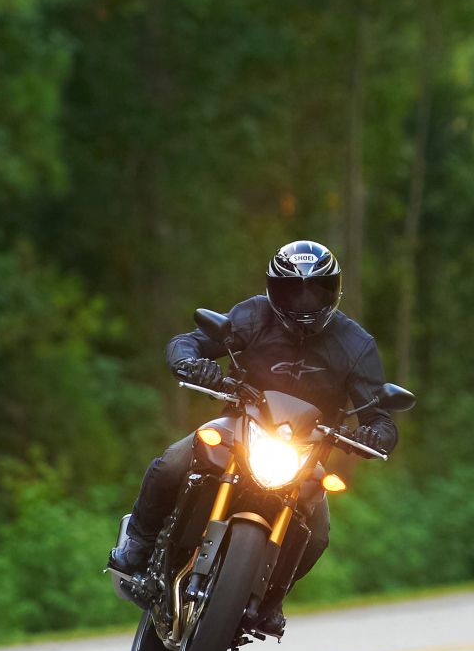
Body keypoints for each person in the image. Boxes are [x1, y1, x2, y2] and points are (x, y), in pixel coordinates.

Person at [109, 240, 399, 629]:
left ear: (334, 291)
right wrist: (191, 363)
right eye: (293, 289)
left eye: (315, 289)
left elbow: (380, 415)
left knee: (317, 534)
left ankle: (271, 600)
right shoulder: (252, 315)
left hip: (305, 452)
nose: (304, 299)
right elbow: (189, 341)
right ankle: (137, 548)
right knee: (173, 461)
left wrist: (376, 434)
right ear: (273, 288)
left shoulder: (355, 344)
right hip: (239, 428)